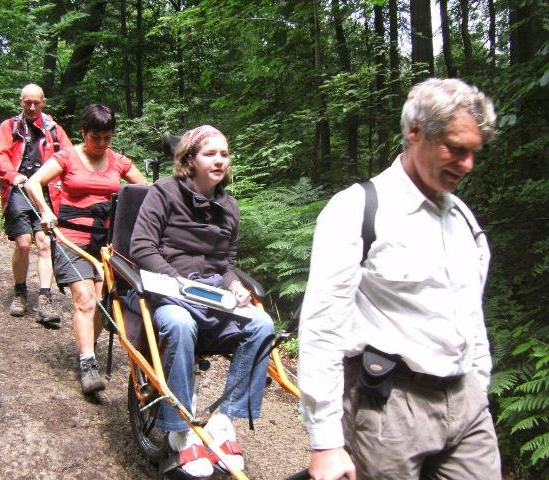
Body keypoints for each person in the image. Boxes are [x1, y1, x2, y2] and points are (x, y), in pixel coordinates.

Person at [298, 78, 501, 480]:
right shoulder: (357, 209)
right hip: (389, 409)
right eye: (455, 149)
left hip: (467, 404)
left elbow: (470, 311)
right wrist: (326, 441)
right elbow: (322, 328)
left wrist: (479, 384)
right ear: (414, 133)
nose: (467, 165)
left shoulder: (462, 218)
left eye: (474, 153)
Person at [129, 125, 274, 478]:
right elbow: (141, 247)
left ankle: (224, 421)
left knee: (263, 325)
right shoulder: (163, 192)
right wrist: (177, 283)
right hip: (165, 291)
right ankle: (180, 431)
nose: (219, 160)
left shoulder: (229, 207)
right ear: (189, 160)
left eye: (224, 154)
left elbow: (225, 264)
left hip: (212, 295)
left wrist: (235, 286)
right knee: (179, 322)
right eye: (210, 153)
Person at [25, 104, 145, 394]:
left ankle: (87, 346)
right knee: (85, 298)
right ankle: (87, 363)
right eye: (96, 137)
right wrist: (45, 210)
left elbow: (146, 190)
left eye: (107, 137)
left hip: (106, 243)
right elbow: (33, 183)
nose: (102, 144)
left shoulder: (118, 161)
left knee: (103, 306)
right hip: (71, 238)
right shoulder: (67, 157)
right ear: (83, 133)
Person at [0, 83, 72, 325]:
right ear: (21, 102)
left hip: (46, 191)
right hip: (18, 188)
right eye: (27, 102)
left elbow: (68, 156)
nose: (32, 106)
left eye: (36, 102)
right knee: (24, 243)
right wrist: (12, 175)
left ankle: (45, 299)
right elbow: (0, 154)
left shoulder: (54, 130)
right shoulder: (9, 126)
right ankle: (19, 291)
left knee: (45, 243)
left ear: (43, 102)